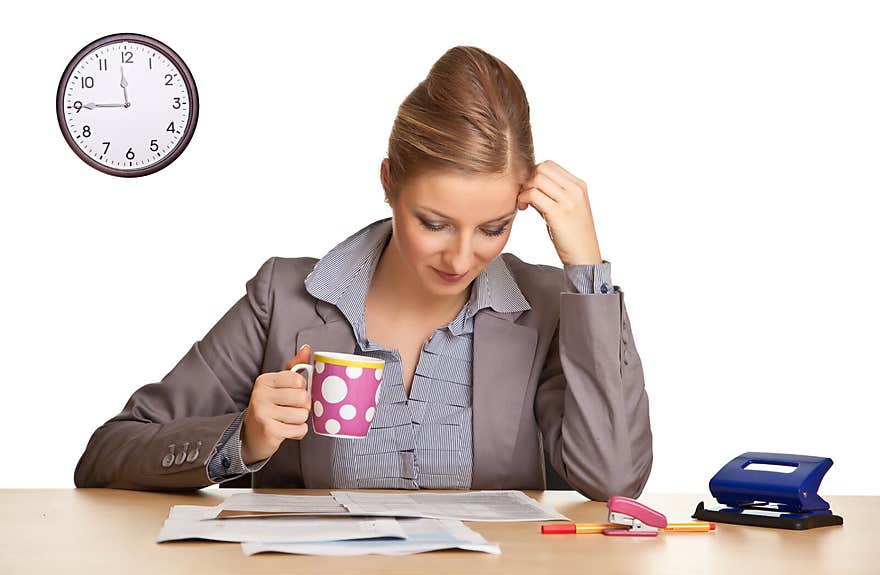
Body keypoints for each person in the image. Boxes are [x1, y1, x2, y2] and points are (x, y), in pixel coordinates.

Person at [74, 45, 653, 500]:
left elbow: (614, 480)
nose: (459, 259)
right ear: (388, 184)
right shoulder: (285, 299)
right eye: (433, 223)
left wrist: (587, 271)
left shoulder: (549, 307)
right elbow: (107, 452)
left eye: (493, 228)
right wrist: (243, 438)